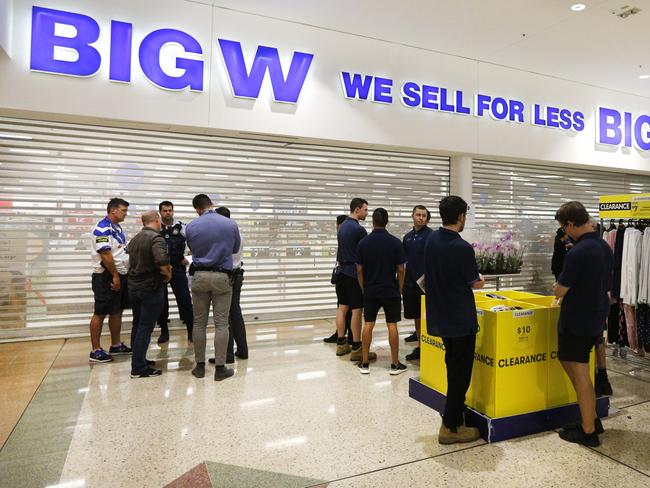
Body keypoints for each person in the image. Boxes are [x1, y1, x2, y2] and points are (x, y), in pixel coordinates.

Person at [424, 196, 485, 445]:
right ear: (461, 216)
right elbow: (474, 281)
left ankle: (452, 414)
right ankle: (451, 427)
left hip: (441, 316)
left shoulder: (431, 240)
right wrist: (480, 280)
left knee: (453, 367)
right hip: (460, 318)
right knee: (461, 373)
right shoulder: (461, 247)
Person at [553, 202, 613, 447]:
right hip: (595, 317)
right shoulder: (604, 247)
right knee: (577, 369)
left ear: (569, 224)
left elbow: (561, 288)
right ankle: (592, 419)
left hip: (577, 320)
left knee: (579, 375)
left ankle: (588, 431)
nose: (565, 233)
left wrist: (557, 288)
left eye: (564, 228)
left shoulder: (578, 251)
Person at [186, 194, 240, 381]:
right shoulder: (229, 224)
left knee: (199, 322)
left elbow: (192, 249)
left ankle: (199, 367)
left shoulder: (191, 226)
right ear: (211, 205)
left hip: (199, 276)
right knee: (221, 323)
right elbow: (234, 249)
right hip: (222, 277)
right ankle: (220, 368)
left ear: (197, 209)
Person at [356, 208, 407, 375]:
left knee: (368, 324)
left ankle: (364, 363)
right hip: (390, 290)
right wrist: (399, 288)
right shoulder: (395, 242)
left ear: (373, 221)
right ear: (387, 222)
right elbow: (400, 269)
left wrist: (364, 288)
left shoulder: (363, 243)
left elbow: (359, 270)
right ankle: (394, 364)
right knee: (392, 325)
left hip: (371, 290)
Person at [127, 211, 172, 378]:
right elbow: (162, 260)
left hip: (134, 287)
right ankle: (138, 367)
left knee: (137, 324)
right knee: (145, 326)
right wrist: (168, 274)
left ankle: (139, 359)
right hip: (150, 288)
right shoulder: (156, 238)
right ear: (156, 220)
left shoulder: (136, 238)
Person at [88, 198, 132, 363]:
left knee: (117, 310)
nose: (125, 213)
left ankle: (116, 344)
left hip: (119, 273)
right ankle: (96, 350)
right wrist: (114, 275)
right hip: (106, 275)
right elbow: (105, 255)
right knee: (100, 312)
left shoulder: (116, 227)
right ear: (113, 210)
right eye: (123, 210)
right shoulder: (102, 228)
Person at [334, 198, 376, 363]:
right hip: (353, 274)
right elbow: (365, 255)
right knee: (357, 310)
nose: (366, 213)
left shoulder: (342, 226)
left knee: (342, 308)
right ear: (357, 209)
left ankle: (340, 343)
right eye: (365, 210)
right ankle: (357, 347)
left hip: (341, 273)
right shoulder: (359, 230)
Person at [208, 206, 248, 364]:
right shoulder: (237, 232)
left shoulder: (224, 234)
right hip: (237, 275)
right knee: (235, 313)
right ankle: (243, 350)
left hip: (227, 276)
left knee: (225, 316)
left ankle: (228, 355)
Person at [156, 201, 193, 344]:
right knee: (161, 302)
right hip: (161, 270)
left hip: (178, 269)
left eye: (170, 210)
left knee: (184, 300)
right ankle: (164, 330)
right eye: (165, 210)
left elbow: (194, 245)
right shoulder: (155, 228)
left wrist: (189, 259)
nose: (168, 213)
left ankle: (190, 330)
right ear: (160, 212)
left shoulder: (182, 228)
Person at [402, 205, 433, 360]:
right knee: (416, 316)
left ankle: (429, 347)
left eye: (423, 215)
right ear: (412, 216)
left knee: (427, 317)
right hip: (410, 284)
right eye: (418, 214)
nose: (421, 217)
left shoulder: (431, 236)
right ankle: (421, 347)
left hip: (426, 286)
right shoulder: (407, 237)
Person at [324, 214, 353, 344]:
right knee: (345, 307)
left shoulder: (346, 236)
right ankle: (342, 333)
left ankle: (348, 335)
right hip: (344, 275)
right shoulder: (343, 238)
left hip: (348, 276)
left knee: (348, 308)